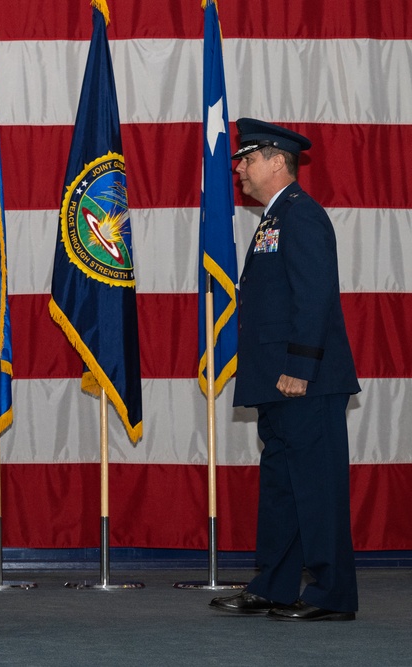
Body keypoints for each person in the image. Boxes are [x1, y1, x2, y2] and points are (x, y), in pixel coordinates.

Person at [210, 118, 361, 622]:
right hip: (278, 380)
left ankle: (332, 594)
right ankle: (273, 585)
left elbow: (315, 297)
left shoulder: (302, 216)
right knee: (282, 488)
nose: (240, 170)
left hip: (304, 381)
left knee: (316, 488)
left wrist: (300, 366)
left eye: (248, 159)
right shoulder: (276, 219)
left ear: (278, 161)